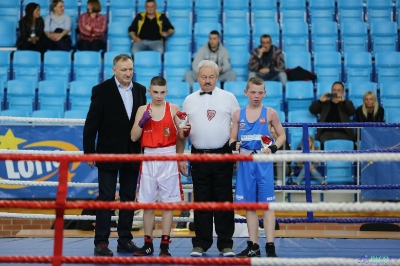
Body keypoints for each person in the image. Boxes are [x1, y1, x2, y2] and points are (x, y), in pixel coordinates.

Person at [83, 54, 147, 257]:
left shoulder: (140, 90)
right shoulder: (101, 90)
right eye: (124, 70)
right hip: (107, 152)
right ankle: (101, 242)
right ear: (114, 71)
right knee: (106, 198)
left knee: (129, 197)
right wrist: (88, 153)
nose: (128, 73)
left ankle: (125, 240)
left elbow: (142, 124)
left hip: (132, 152)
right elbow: (91, 124)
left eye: (130, 69)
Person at [181, 60, 240, 257]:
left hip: (223, 154)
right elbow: (183, 130)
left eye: (211, 77)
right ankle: (201, 243)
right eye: (204, 77)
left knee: (224, 201)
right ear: (198, 77)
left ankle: (225, 244)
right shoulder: (188, 100)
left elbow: (238, 126)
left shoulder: (229, 97)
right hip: (198, 155)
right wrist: (180, 156)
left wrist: (239, 154)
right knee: (201, 201)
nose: (207, 81)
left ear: (217, 77)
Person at [130, 76, 187, 257]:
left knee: (168, 204)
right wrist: (141, 122)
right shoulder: (142, 110)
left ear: (166, 92)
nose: (159, 96)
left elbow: (182, 135)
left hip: (168, 154)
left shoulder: (173, 109)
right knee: (148, 204)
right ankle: (148, 244)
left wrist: (186, 130)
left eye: (162, 92)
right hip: (148, 156)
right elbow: (133, 137)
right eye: (155, 92)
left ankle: (165, 244)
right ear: (149, 92)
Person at [229, 76, 285, 258]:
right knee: (250, 207)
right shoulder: (238, 114)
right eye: (253, 92)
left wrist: (274, 147)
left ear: (265, 93)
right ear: (246, 92)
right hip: (245, 163)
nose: (256, 96)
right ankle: (253, 245)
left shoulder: (270, 113)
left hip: (263, 163)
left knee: (267, 206)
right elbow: (232, 138)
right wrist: (233, 145)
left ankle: (270, 246)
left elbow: (282, 135)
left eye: (260, 93)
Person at [309, 81, 356, 150]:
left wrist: (343, 102)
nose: (336, 92)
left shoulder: (346, 103)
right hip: (327, 132)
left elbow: (352, 112)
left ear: (343, 92)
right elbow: (312, 110)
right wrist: (320, 101)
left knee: (346, 144)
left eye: (338, 90)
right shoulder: (325, 103)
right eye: (334, 90)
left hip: (343, 132)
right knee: (324, 142)